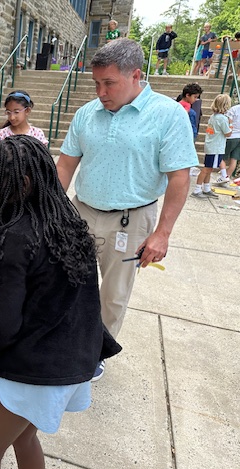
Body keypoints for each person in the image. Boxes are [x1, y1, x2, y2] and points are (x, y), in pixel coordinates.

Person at [0, 136, 121, 469]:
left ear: (22, 185)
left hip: (37, 367)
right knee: (23, 436)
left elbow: (2, 326)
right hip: (75, 356)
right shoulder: (65, 217)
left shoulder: (16, 235)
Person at [56, 39, 198, 380]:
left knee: (113, 295)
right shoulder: (87, 113)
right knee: (65, 280)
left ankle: (94, 353)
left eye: (109, 83)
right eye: (96, 83)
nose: (101, 92)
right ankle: (65, 339)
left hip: (131, 221)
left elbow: (180, 177)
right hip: (81, 212)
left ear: (136, 76)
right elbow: (65, 165)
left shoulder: (167, 116)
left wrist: (162, 233)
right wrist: (49, 210)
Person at [192, 94, 232, 196]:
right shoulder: (222, 119)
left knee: (209, 168)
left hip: (212, 145)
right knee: (207, 169)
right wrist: (230, 123)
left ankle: (206, 187)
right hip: (216, 147)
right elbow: (228, 133)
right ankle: (197, 189)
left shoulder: (214, 117)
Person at [224, 101, 240, 183]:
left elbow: (228, 120)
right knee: (234, 159)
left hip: (232, 136)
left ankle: (224, 176)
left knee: (222, 157)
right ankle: (227, 176)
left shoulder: (234, 109)